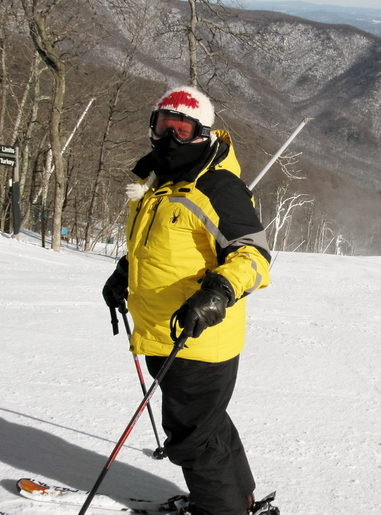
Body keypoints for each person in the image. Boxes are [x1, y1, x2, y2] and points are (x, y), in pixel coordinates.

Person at [102, 86, 271, 515]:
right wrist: (123, 275)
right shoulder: (158, 181)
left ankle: (218, 510)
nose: (169, 139)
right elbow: (155, 247)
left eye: (182, 130)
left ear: (203, 133)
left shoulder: (217, 186)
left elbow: (254, 256)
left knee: (192, 436)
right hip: (163, 330)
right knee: (208, 424)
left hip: (197, 338)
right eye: (164, 126)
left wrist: (218, 291)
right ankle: (238, 500)